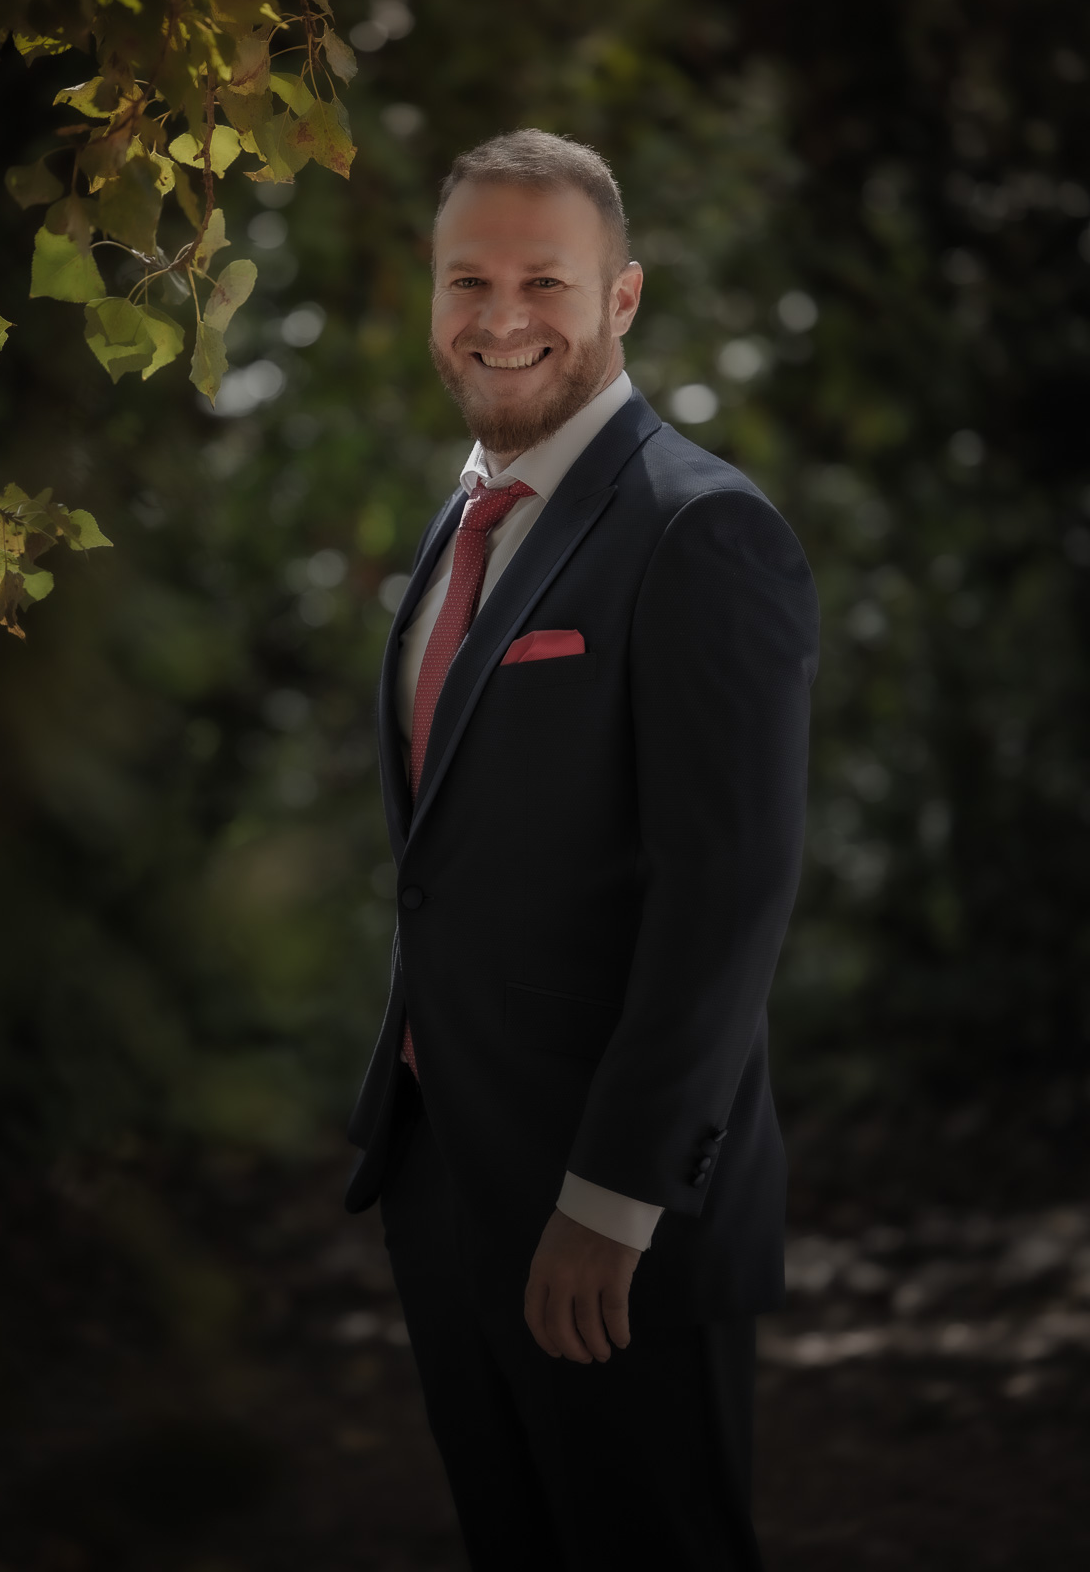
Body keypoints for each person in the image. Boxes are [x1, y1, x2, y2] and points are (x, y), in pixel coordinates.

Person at [343, 128, 819, 1570]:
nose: (501, 317)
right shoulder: (468, 515)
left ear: (622, 298)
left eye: (544, 280)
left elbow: (726, 895)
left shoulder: (701, 530)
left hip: (613, 1209)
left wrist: (614, 1201)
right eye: (467, 279)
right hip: (449, 1175)